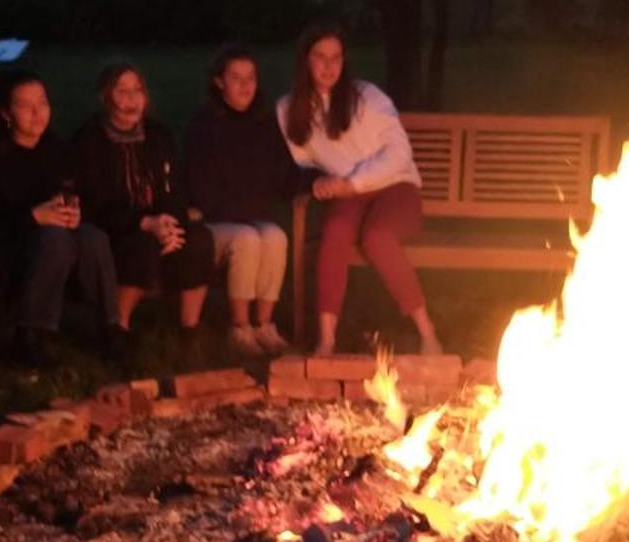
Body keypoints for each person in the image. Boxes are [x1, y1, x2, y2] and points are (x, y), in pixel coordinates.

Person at [277, 23, 443, 356]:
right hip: (347, 194)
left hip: (395, 187)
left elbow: (399, 154)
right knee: (335, 231)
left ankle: (428, 333)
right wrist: (317, 183)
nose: (329, 66)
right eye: (320, 57)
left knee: (377, 237)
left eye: (336, 58)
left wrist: (351, 183)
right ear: (305, 61)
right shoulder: (288, 109)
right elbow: (302, 165)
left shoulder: (366, 97)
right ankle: (326, 340)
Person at [0, 70, 118, 364]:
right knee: (55, 240)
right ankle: (31, 334)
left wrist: (75, 212)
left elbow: (79, 192)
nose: (38, 113)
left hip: (58, 236)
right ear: (6, 113)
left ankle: (110, 327)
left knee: (93, 237)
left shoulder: (57, 149)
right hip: (11, 244)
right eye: (26, 106)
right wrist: (34, 217)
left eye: (43, 103)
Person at [69, 63, 215, 346]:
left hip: (158, 222)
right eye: (122, 91)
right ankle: (117, 327)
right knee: (141, 246)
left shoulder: (157, 135)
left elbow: (173, 188)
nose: (131, 99)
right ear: (107, 97)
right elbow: (95, 203)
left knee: (197, 238)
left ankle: (189, 329)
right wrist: (145, 223)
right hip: (115, 226)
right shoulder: (90, 140)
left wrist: (170, 223)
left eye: (137, 91)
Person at [182, 45, 301, 355]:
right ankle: (240, 327)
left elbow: (283, 173)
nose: (245, 85)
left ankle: (264, 326)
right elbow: (199, 187)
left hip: (251, 220)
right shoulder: (204, 125)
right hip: (214, 224)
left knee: (275, 236)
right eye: (236, 78)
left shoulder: (264, 123)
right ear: (219, 82)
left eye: (251, 77)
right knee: (248, 237)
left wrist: (315, 182)